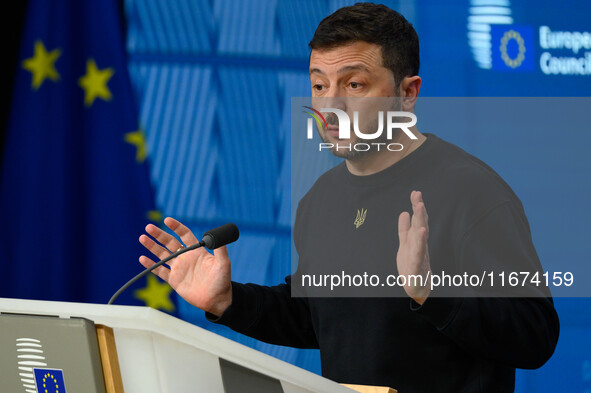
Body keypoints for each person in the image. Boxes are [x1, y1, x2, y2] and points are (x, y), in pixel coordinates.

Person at [139, 3, 559, 392]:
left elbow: (536, 336)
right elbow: (319, 317)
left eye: (354, 84)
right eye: (319, 85)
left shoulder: (470, 190)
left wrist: (432, 292)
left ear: (407, 93)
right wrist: (227, 300)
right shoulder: (321, 199)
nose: (330, 105)